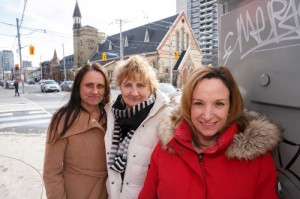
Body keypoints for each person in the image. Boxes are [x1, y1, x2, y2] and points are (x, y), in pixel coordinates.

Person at [139, 66, 282, 199]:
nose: (207, 116)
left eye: (219, 104)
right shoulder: (166, 148)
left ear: (230, 107)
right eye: (199, 103)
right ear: (189, 106)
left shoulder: (257, 159)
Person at [105, 55, 173, 198]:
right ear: (120, 86)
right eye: (127, 85)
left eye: (141, 85)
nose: (134, 93)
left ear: (151, 86)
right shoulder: (110, 113)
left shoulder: (166, 116)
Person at [43, 63, 111, 199]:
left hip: (108, 192)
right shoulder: (62, 119)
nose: (95, 91)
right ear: (78, 87)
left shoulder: (112, 116)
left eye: (100, 86)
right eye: (89, 85)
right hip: (76, 193)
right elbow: (51, 172)